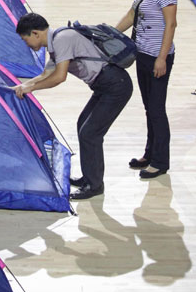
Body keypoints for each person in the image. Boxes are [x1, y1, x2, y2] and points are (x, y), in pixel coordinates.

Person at [13, 13, 133, 200]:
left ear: (35, 33)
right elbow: (46, 74)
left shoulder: (62, 40)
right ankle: (89, 177)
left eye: (25, 38)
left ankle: (94, 186)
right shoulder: (56, 44)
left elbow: (59, 77)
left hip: (115, 85)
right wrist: (23, 86)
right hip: (105, 85)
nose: (26, 44)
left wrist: (32, 89)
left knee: (90, 133)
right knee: (83, 125)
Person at [115, 0, 177, 179]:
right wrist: (110, 33)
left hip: (158, 58)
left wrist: (161, 58)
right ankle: (150, 154)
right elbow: (132, 15)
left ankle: (161, 161)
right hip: (142, 54)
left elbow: (171, 25)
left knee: (157, 108)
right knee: (148, 107)